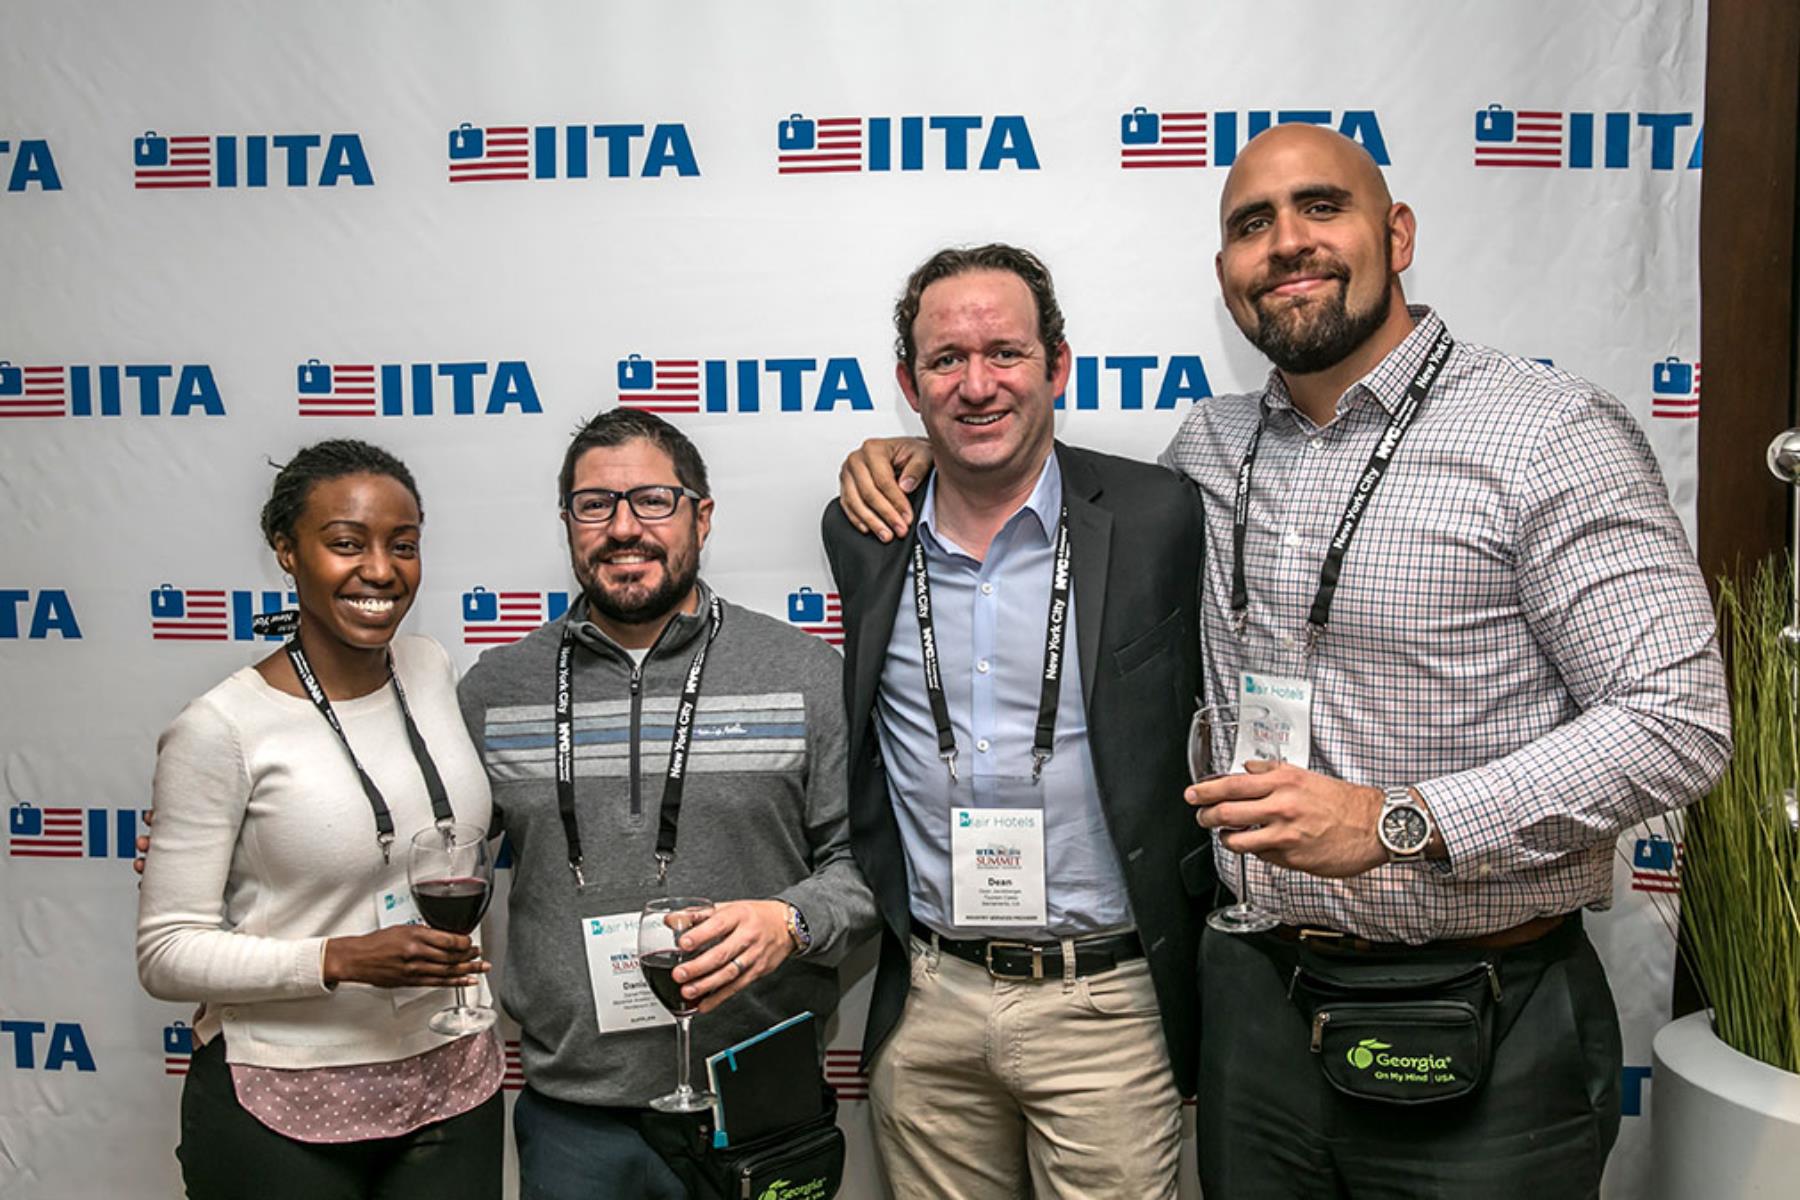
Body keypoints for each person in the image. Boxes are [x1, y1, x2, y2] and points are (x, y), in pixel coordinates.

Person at [837, 127, 1732, 1198]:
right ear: (1225, 275)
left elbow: (1679, 718)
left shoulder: (1545, 433)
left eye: (1321, 207)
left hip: (1480, 1000)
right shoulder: (1205, 457)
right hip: (1256, 1005)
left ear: (1396, 233)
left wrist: (1398, 819)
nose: (1287, 244)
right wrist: (910, 457)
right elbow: (1023, 477)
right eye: (1251, 225)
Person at [821, 244, 1210, 1198]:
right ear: (909, 385)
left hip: (1106, 1008)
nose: (977, 384)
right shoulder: (865, 529)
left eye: (1006, 352)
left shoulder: (1160, 514)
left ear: (1059, 366)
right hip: (931, 1002)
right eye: (946, 360)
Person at [455, 407, 876, 1200]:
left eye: (652, 500)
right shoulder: (495, 690)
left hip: (755, 1106)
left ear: (701, 515)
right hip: (573, 1120)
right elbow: (432, 854)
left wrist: (790, 921)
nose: (623, 527)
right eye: (594, 505)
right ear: (568, 523)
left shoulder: (805, 674)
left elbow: (868, 870)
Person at [137, 439, 502, 1200]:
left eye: (403, 546)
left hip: (452, 1079)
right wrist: (338, 958)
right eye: (346, 544)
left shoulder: (430, 667)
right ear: (286, 552)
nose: (380, 570)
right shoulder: (223, 728)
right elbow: (166, 954)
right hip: (287, 1100)